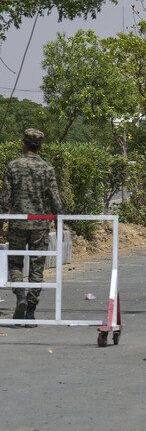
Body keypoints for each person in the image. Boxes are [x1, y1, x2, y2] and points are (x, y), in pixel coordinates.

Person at [0, 128, 62, 325]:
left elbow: (4, 200)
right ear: (41, 147)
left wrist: (0, 224)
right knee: (37, 266)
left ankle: (21, 297)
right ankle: (31, 312)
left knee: (15, 263)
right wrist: (60, 222)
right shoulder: (47, 168)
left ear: (23, 144)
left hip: (17, 224)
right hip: (40, 225)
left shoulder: (13, 166)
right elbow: (55, 199)